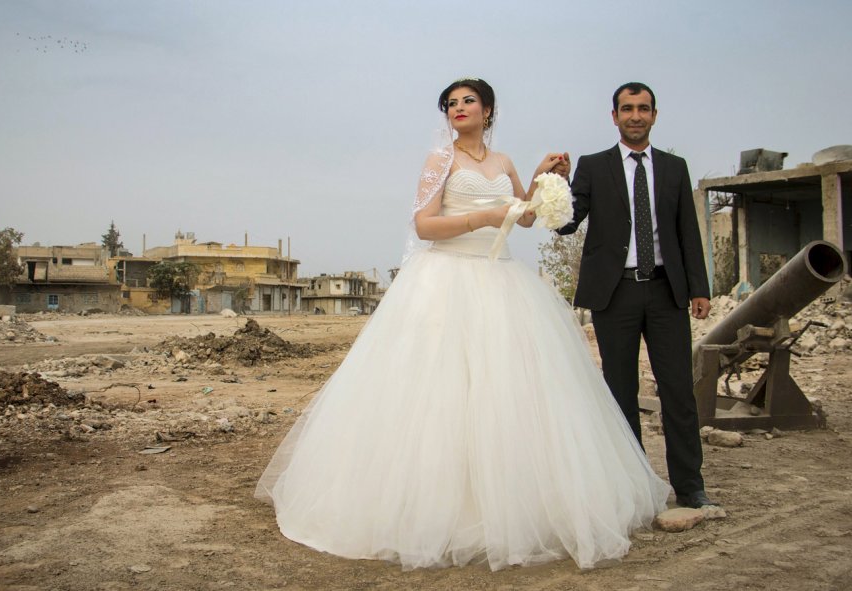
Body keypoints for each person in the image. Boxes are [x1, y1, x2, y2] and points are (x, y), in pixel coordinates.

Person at [256, 77, 669, 572]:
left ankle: (513, 505)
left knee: (506, 396)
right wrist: (481, 218)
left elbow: (528, 219)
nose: (458, 108)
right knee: (440, 395)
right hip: (446, 278)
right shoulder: (440, 161)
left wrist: (540, 178)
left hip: (502, 281)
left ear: (488, 110)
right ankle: (434, 509)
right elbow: (424, 225)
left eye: (468, 101)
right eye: (451, 103)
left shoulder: (503, 163)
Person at [556, 82, 716, 509]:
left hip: (667, 292)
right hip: (615, 294)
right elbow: (566, 223)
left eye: (643, 108)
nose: (635, 116)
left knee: (678, 391)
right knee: (620, 393)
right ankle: (632, 488)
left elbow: (688, 232)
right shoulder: (593, 166)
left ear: (654, 115)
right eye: (627, 109)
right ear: (614, 117)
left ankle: (690, 486)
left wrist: (699, 289)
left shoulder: (674, 167)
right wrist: (556, 185)